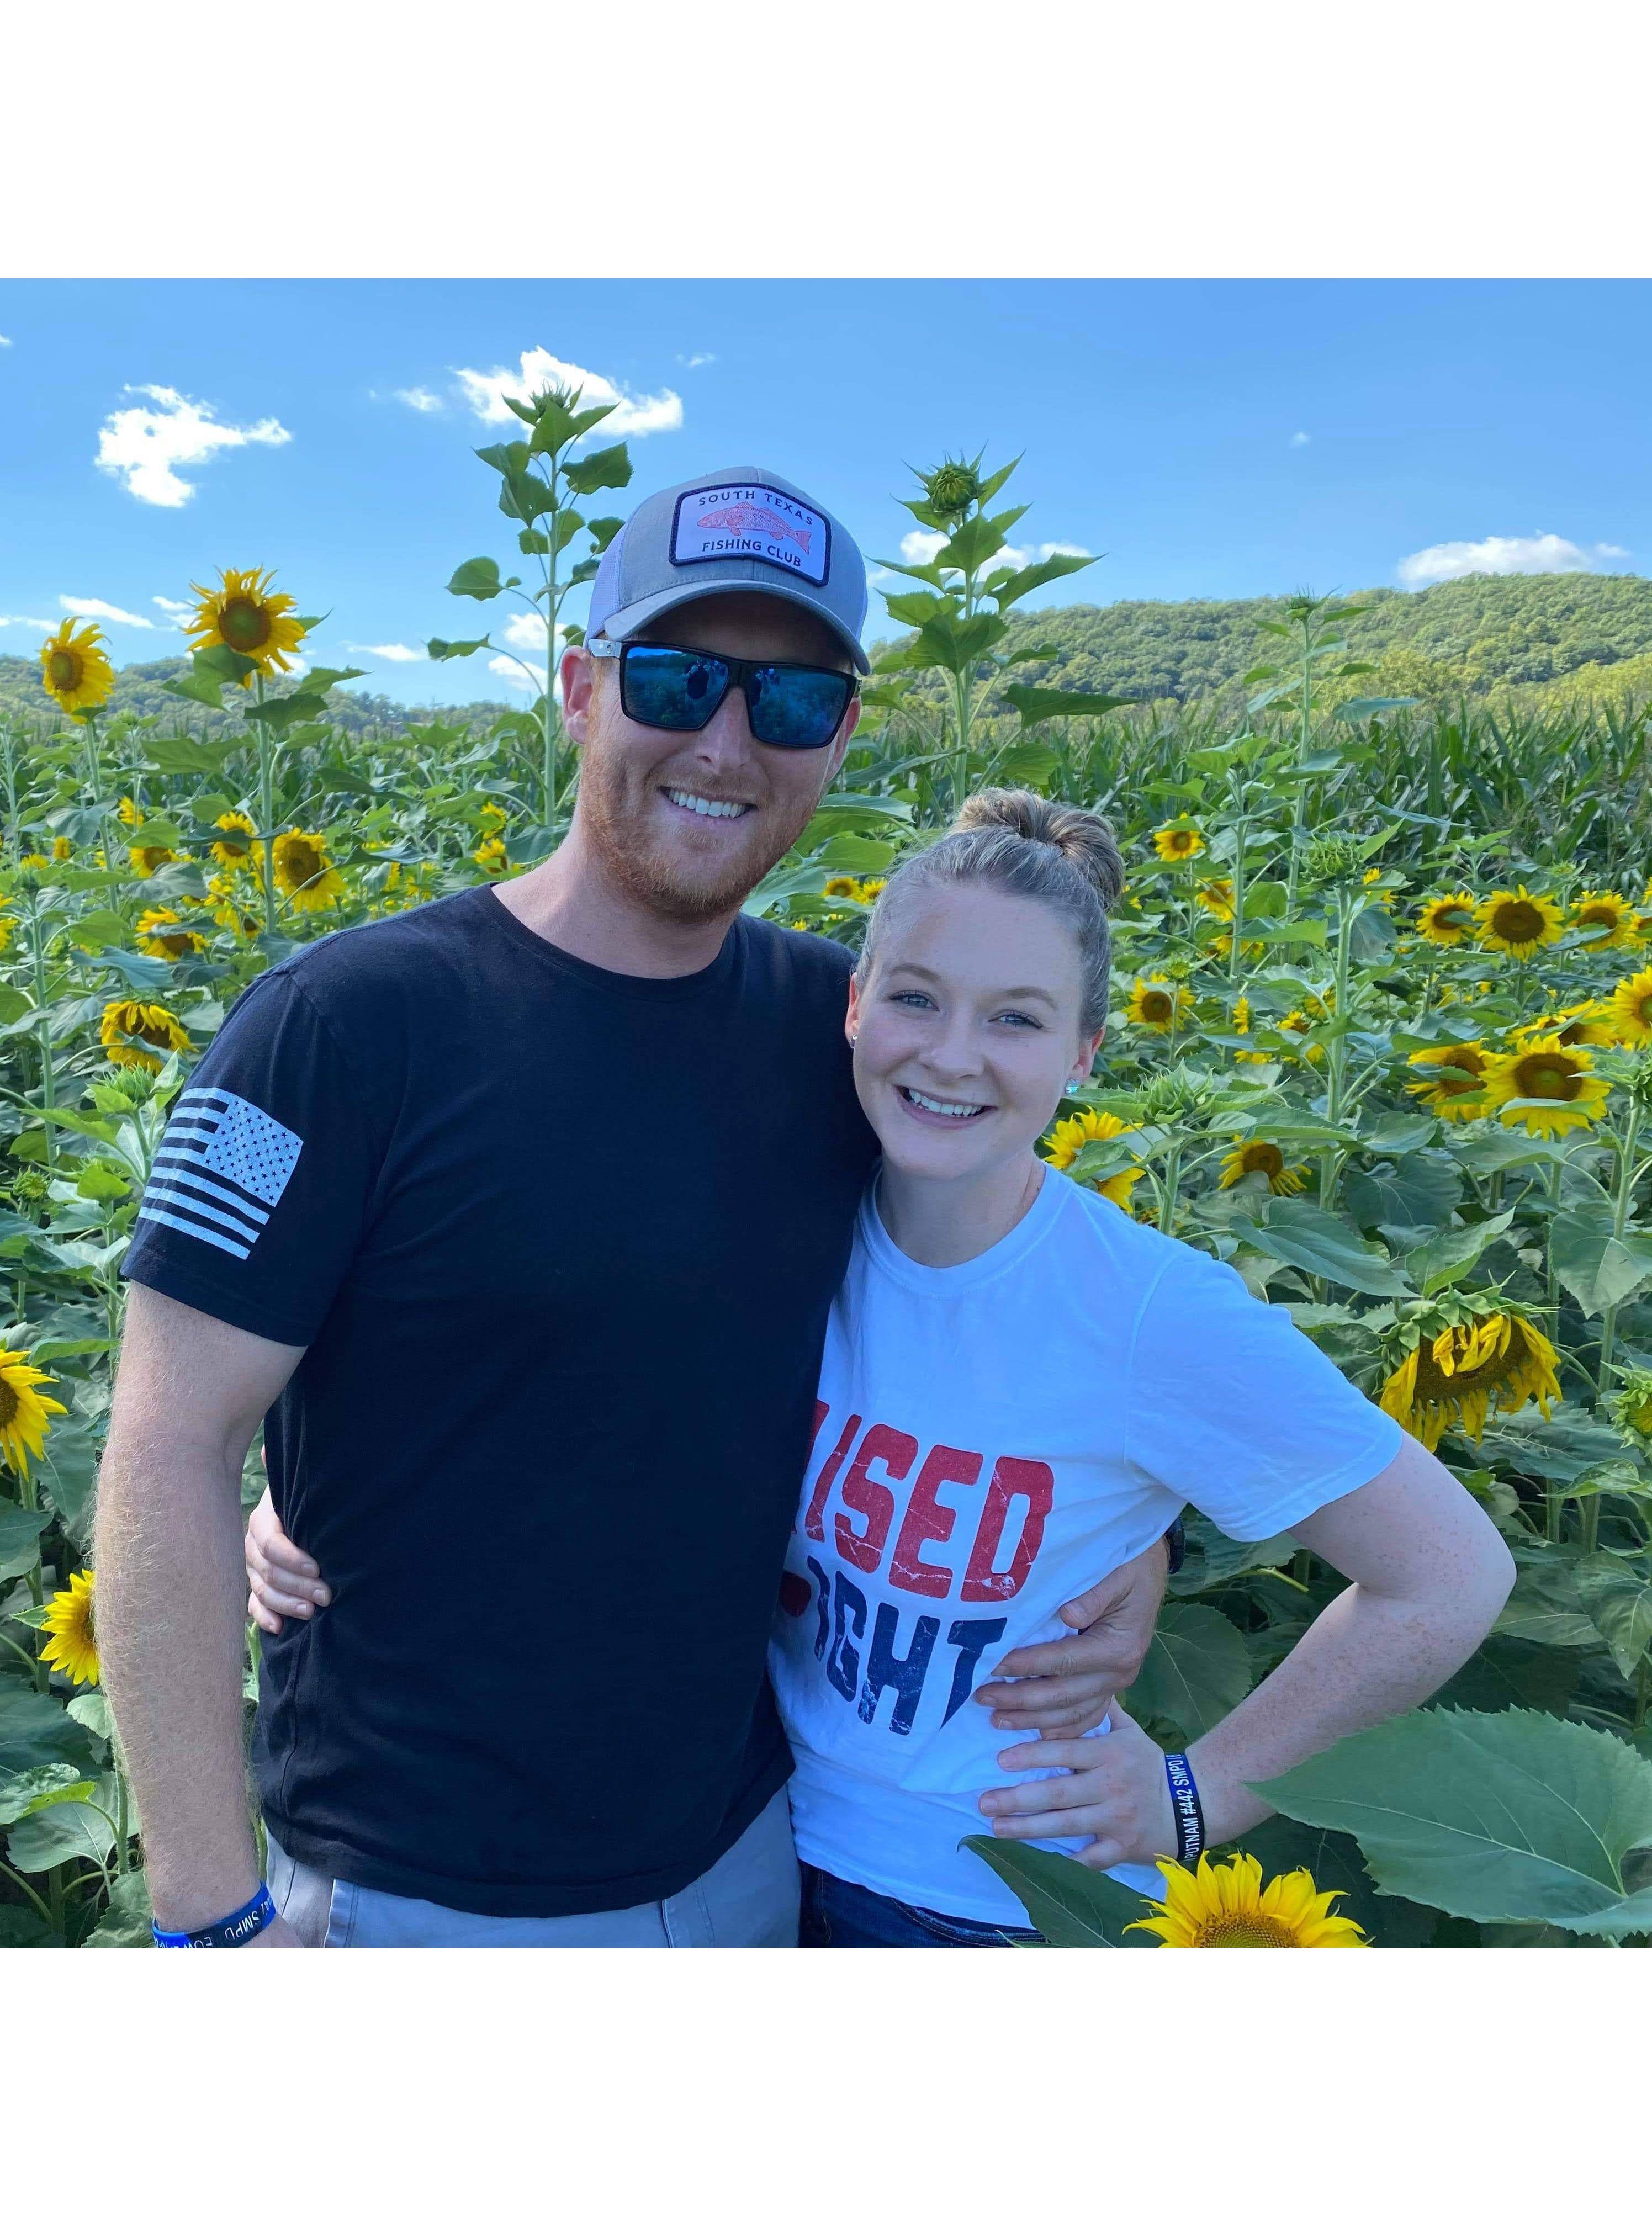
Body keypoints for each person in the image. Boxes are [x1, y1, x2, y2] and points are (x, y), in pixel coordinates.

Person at [95, 467, 1173, 1950]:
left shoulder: (845, 1038)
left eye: (789, 702)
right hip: (417, 1903)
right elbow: (164, 1442)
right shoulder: (343, 1028)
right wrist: (209, 1918)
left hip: (750, 1859)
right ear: (580, 688)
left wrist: (1132, 1530)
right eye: (676, 679)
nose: (727, 741)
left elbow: (1008, 1295)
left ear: (839, 738)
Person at [251, 789, 1518, 1946]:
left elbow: (1449, 1574)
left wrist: (1196, 1800)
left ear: (1084, 1054)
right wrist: (320, 1480)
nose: (953, 1055)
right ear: (850, 1006)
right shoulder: (790, 1216)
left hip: (992, 1900)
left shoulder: (1144, 1312)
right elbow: (552, 1355)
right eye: (916, 998)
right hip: (760, 1848)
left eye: (1017, 1020)